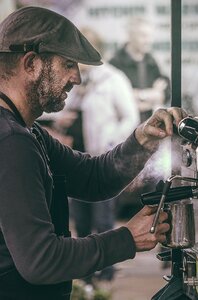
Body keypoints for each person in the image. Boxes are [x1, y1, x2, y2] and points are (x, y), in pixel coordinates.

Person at [0, 6, 187, 300]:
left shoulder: (29, 134)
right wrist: (126, 239)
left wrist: (143, 139)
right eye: (67, 64)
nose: (77, 78)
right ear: (32, 64)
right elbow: (41, 260)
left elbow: (94, 178)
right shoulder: (11, 141)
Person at [54, 27, 140, 284]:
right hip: (74, 158)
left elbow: (131, 117)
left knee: (103, 219)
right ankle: (87, 273)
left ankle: (108, 270)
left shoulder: (114, 79)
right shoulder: (74, 81)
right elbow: (61, 110)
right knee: (79, 220)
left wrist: (111, 141)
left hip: (101, 159)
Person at [109, 17, 170, 123]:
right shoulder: (115, 63)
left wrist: (140, 96)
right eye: (143, 36)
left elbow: (166, 92)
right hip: (124, 130)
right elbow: (114, 99)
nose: (149, 41)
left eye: (150, 36)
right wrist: (151, 94)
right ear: (130, 36)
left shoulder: (151, 62)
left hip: (149, 125)